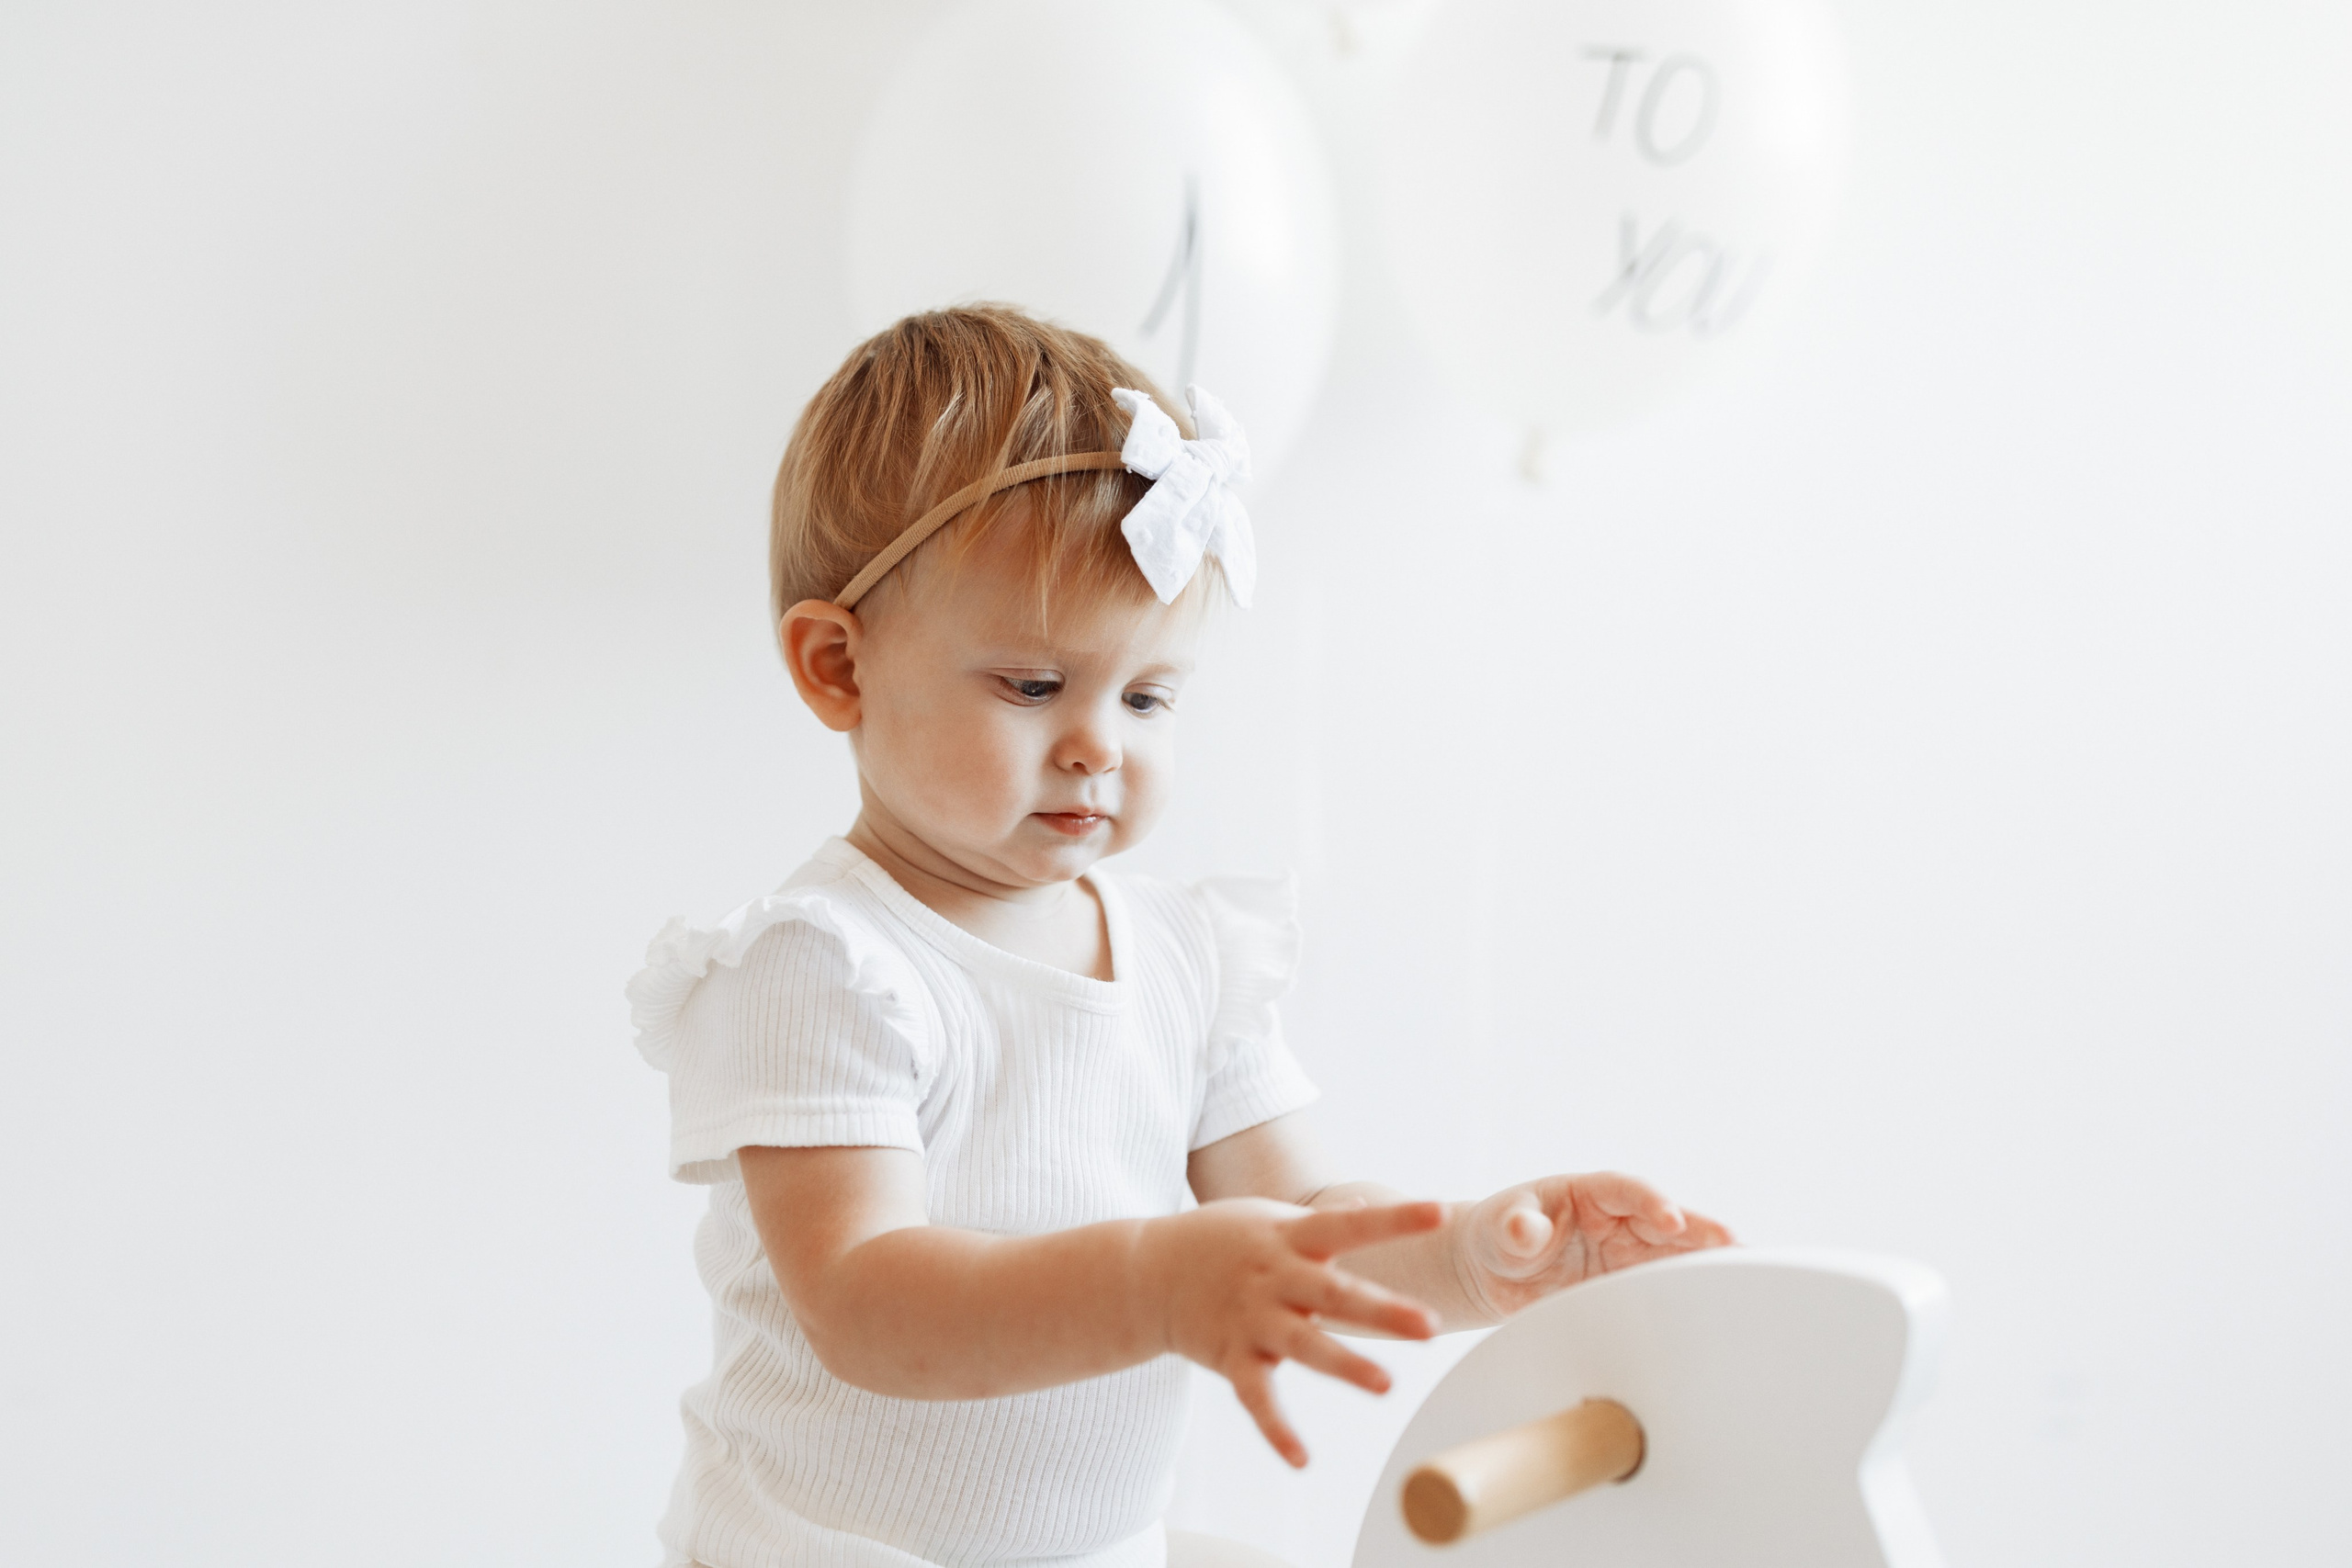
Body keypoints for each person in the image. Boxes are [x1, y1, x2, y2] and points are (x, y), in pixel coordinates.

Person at [627, 305, 1731, 1568]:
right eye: (1033, 686)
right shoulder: (829, 967)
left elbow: (1305, 1216)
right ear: (839, 668)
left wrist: (1474, 1259)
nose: (1101, 744)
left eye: (1147, 695)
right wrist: (1157, 1282)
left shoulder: (1186, 960)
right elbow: (869, 1305)